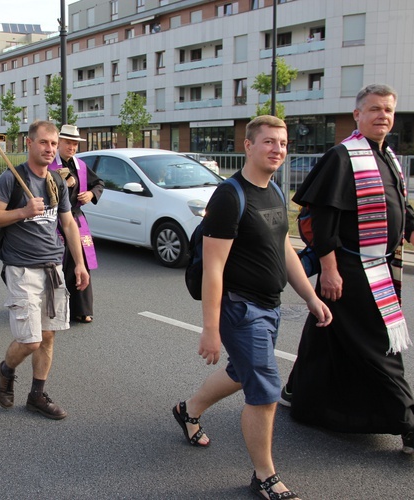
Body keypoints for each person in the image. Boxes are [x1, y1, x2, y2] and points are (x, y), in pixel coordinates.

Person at [171, 116, 331, 500]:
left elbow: (285, 249)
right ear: (248, 146)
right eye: (269, 142)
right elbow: (213, 268)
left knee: (243, 373)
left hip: (270, 306)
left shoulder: (274, 191)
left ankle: (188, 409)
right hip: (241, 310)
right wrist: (210, 328)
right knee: (264, 390)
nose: (277, 149)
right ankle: (264, 475)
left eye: (283, 143)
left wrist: (310, 296)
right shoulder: (229, 196)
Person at [283, 84, 414, 454]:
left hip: (380, 264)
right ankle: (409, 426)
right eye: (373, 109)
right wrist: (329, 269)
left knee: (327, 331)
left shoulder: (389, 157)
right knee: (379, 345)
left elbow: (405, 213)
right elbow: (323, 218)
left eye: (387, 109)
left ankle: (297, 393)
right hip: (351, 267)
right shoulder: (344, 156)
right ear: (357, 114)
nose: (382, 116)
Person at [0, 120, 90, 420]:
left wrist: (79, 264)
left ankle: (37, 395)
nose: (50, 148)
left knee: (49, 335)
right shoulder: (12, 178)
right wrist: (23, 212)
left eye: (54, 144)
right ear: (29, 144)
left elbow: (68, 223)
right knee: (31, 340)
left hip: (54, 268)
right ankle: (6, 370)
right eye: (44, 142)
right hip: (22, 269)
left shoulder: (56, 180)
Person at [48, 124, 104, 323]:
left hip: (77, 218)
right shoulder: (49, 165)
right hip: (54, 220)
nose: (71, 147)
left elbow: (98, 183)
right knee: (59, 262)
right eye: (67, 143)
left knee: (82, 262)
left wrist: (91, 193)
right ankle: (55, 307)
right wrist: (62, 182)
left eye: (74, 144)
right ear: (59, 143)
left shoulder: (80, 165)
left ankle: (82, 309)